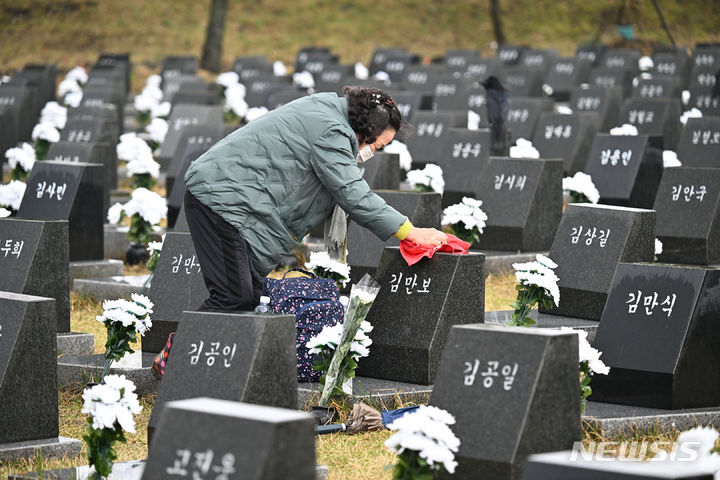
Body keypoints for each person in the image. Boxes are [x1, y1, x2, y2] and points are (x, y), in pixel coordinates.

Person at [183, 86, 447, 311]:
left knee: (250, 300)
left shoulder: (328, 108)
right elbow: (353, 193)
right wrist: (409, 232)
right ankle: (174, 358)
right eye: (376, 146)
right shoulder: (333, 131)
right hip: (220, 200)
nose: (371, 153)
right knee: (233, 298)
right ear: (364, 131)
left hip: (233, 202)